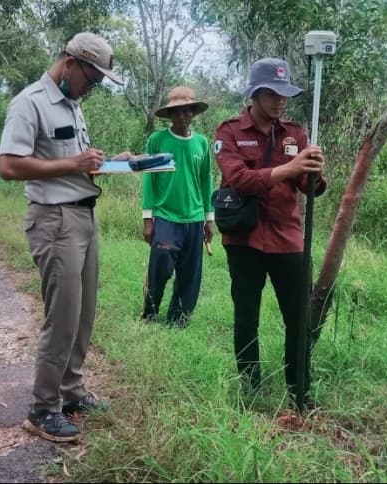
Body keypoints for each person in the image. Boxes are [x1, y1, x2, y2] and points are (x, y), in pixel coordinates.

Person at [0, 32, 132, 443]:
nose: (91, 89)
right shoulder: (30, 103)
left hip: (83, 218)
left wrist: (106, 164)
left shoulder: (72, 106)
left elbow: (71, 164)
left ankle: (71, 391)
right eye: (90, 79)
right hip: (54, 221)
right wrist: (75, 162)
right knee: (62, 318)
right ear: (70, 64)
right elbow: (9, 166)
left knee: (83, 312)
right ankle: (43, 407)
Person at [213, 58, 328, 407]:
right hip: (244, 239)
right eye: (274, 94)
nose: (281, 101)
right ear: (256, 93)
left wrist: (314, 173)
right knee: (246, 316)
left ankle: (299, 390)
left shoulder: (296, 134)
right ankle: (250, 388)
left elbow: (310, 188)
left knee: (298, 318)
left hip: (288, 239)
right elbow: (240, 180)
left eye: (285, 95)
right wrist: (289, 167)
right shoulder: (229, 132)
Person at [140, 86, 215, 327]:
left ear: (193, 113)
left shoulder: (202, 144)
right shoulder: (157, 140)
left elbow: (206, 180)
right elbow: (148, 179)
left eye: (187, 111)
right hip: (165, 216)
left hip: (194, 218)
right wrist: (148, 219)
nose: (183, 116)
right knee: (160, 266)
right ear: (169, 115)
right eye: (177, 112)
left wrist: (209, 218)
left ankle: (178, 318)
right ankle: (150, 314)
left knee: (190, 274)